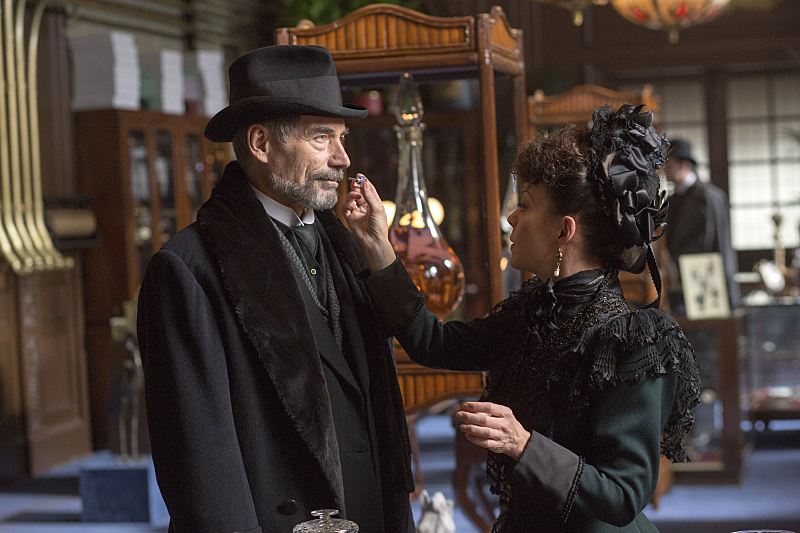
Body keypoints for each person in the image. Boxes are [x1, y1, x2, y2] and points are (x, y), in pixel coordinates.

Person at [342, 104, 702, 532]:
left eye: (526, 205)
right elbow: (432, 343)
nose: (511, 216)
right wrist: (378, 247)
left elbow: (624, 494)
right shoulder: (534, 312)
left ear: (563, 232)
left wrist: (524, 444)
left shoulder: (633, 339)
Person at [137, 45, 415, 533]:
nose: (342, 158)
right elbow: (202, 471)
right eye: (321, 138)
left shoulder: (350, 247)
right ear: (261, 143)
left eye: (342, 138)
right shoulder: (186, 271)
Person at [664, 138, 740, 313]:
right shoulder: (672, 200)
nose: (664, 169)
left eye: (668, 163)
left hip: (706, 276)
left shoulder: (708, 196)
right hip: (680, 278)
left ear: (683, 165)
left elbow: (713, 243)